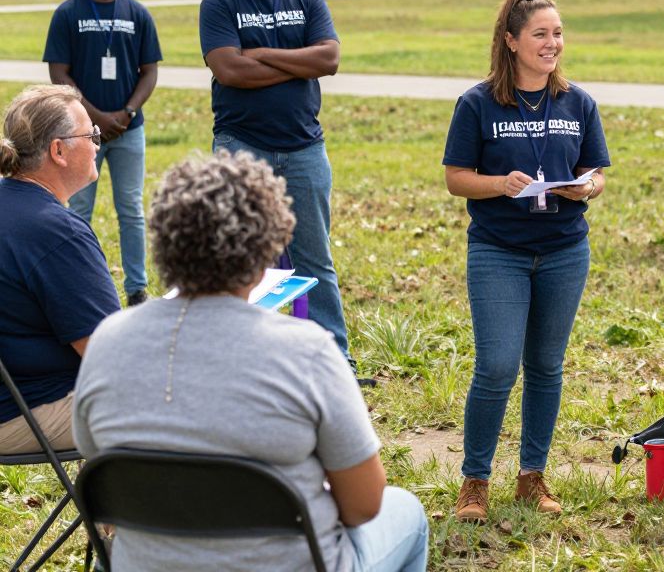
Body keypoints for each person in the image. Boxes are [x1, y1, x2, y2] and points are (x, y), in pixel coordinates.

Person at [72, 151, 428, 572]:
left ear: (163, 244)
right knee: (407, 514)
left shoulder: (108, 341)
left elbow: (102, 479)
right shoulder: (307, 352)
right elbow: (364, 506)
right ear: (266, 252)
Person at [443, 0, 611, 522]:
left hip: (564, 251)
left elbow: (597, 172)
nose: (552, 42)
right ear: (511, 41)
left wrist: (586, 188)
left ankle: (531, 476)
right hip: (499, 251)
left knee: (545, 366)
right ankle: (475, 481)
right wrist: (499, 184)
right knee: (495, 366)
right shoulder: (478, 103)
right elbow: (455, 179)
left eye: (557, 33)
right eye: (540, 34)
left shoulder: (577, 102)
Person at [199, 0, 356, 371]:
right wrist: (295, 62)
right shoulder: (220, 2)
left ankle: (333, 360)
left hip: (304, 147)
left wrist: (263, 54)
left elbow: (328, 59)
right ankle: (242, 359)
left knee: (314, 259)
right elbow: (229, 69)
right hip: (241, 145)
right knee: (241, 256)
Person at [0, 85, 119, 454]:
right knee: (185, 409)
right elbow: (111, 354)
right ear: (58, 150)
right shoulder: (55, 232)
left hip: (16, 397)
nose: (98, 143)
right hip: (23, 410)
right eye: (91, 134)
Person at [44, 0, 162, 306]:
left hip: (129, 130)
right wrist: (96, 118)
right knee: (79, 210)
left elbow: (150, 72)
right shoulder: (68, 13)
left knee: (131, 209)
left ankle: (137, 289)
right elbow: (58, 73)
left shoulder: (137, 13)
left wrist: (126, 113)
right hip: (81, 133)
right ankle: (78, 285)